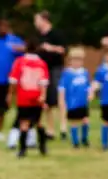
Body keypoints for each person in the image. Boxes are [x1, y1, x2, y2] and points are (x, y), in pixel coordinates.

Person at [8, 38, 49, 158]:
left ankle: (22, 150)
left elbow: (13, 80)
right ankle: (43, 146)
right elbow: (44, 82)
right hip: (37, 96)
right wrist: (43, 96)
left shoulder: (19, 62)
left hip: (24, 97)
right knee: (39, 123)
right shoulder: (42, 63)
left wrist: (10, 94)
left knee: (24, 123)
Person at [34, 11, 67, 140]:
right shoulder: (38, 37)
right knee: (46, 101)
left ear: (44, 20)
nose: (35, 23)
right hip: (43, 70)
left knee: (59, 98)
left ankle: (63, 127)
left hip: (55, 69)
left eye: (37, 20)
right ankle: (50, 130)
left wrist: (50, 48)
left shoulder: (56, 34)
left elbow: (63, 50)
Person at [58, 47, 91, 149]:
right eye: (74, 60)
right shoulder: (67, 73)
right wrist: (61, 100)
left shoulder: (85, 72)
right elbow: (62, 88)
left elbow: (88, 86)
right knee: (74, 122)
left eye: (79, 60)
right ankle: (75, 142)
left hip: (83, 102)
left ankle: (84, 139)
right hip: (72, 103)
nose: (77, 62)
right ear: (70, 60)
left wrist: (90, 93)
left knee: (85, 120)